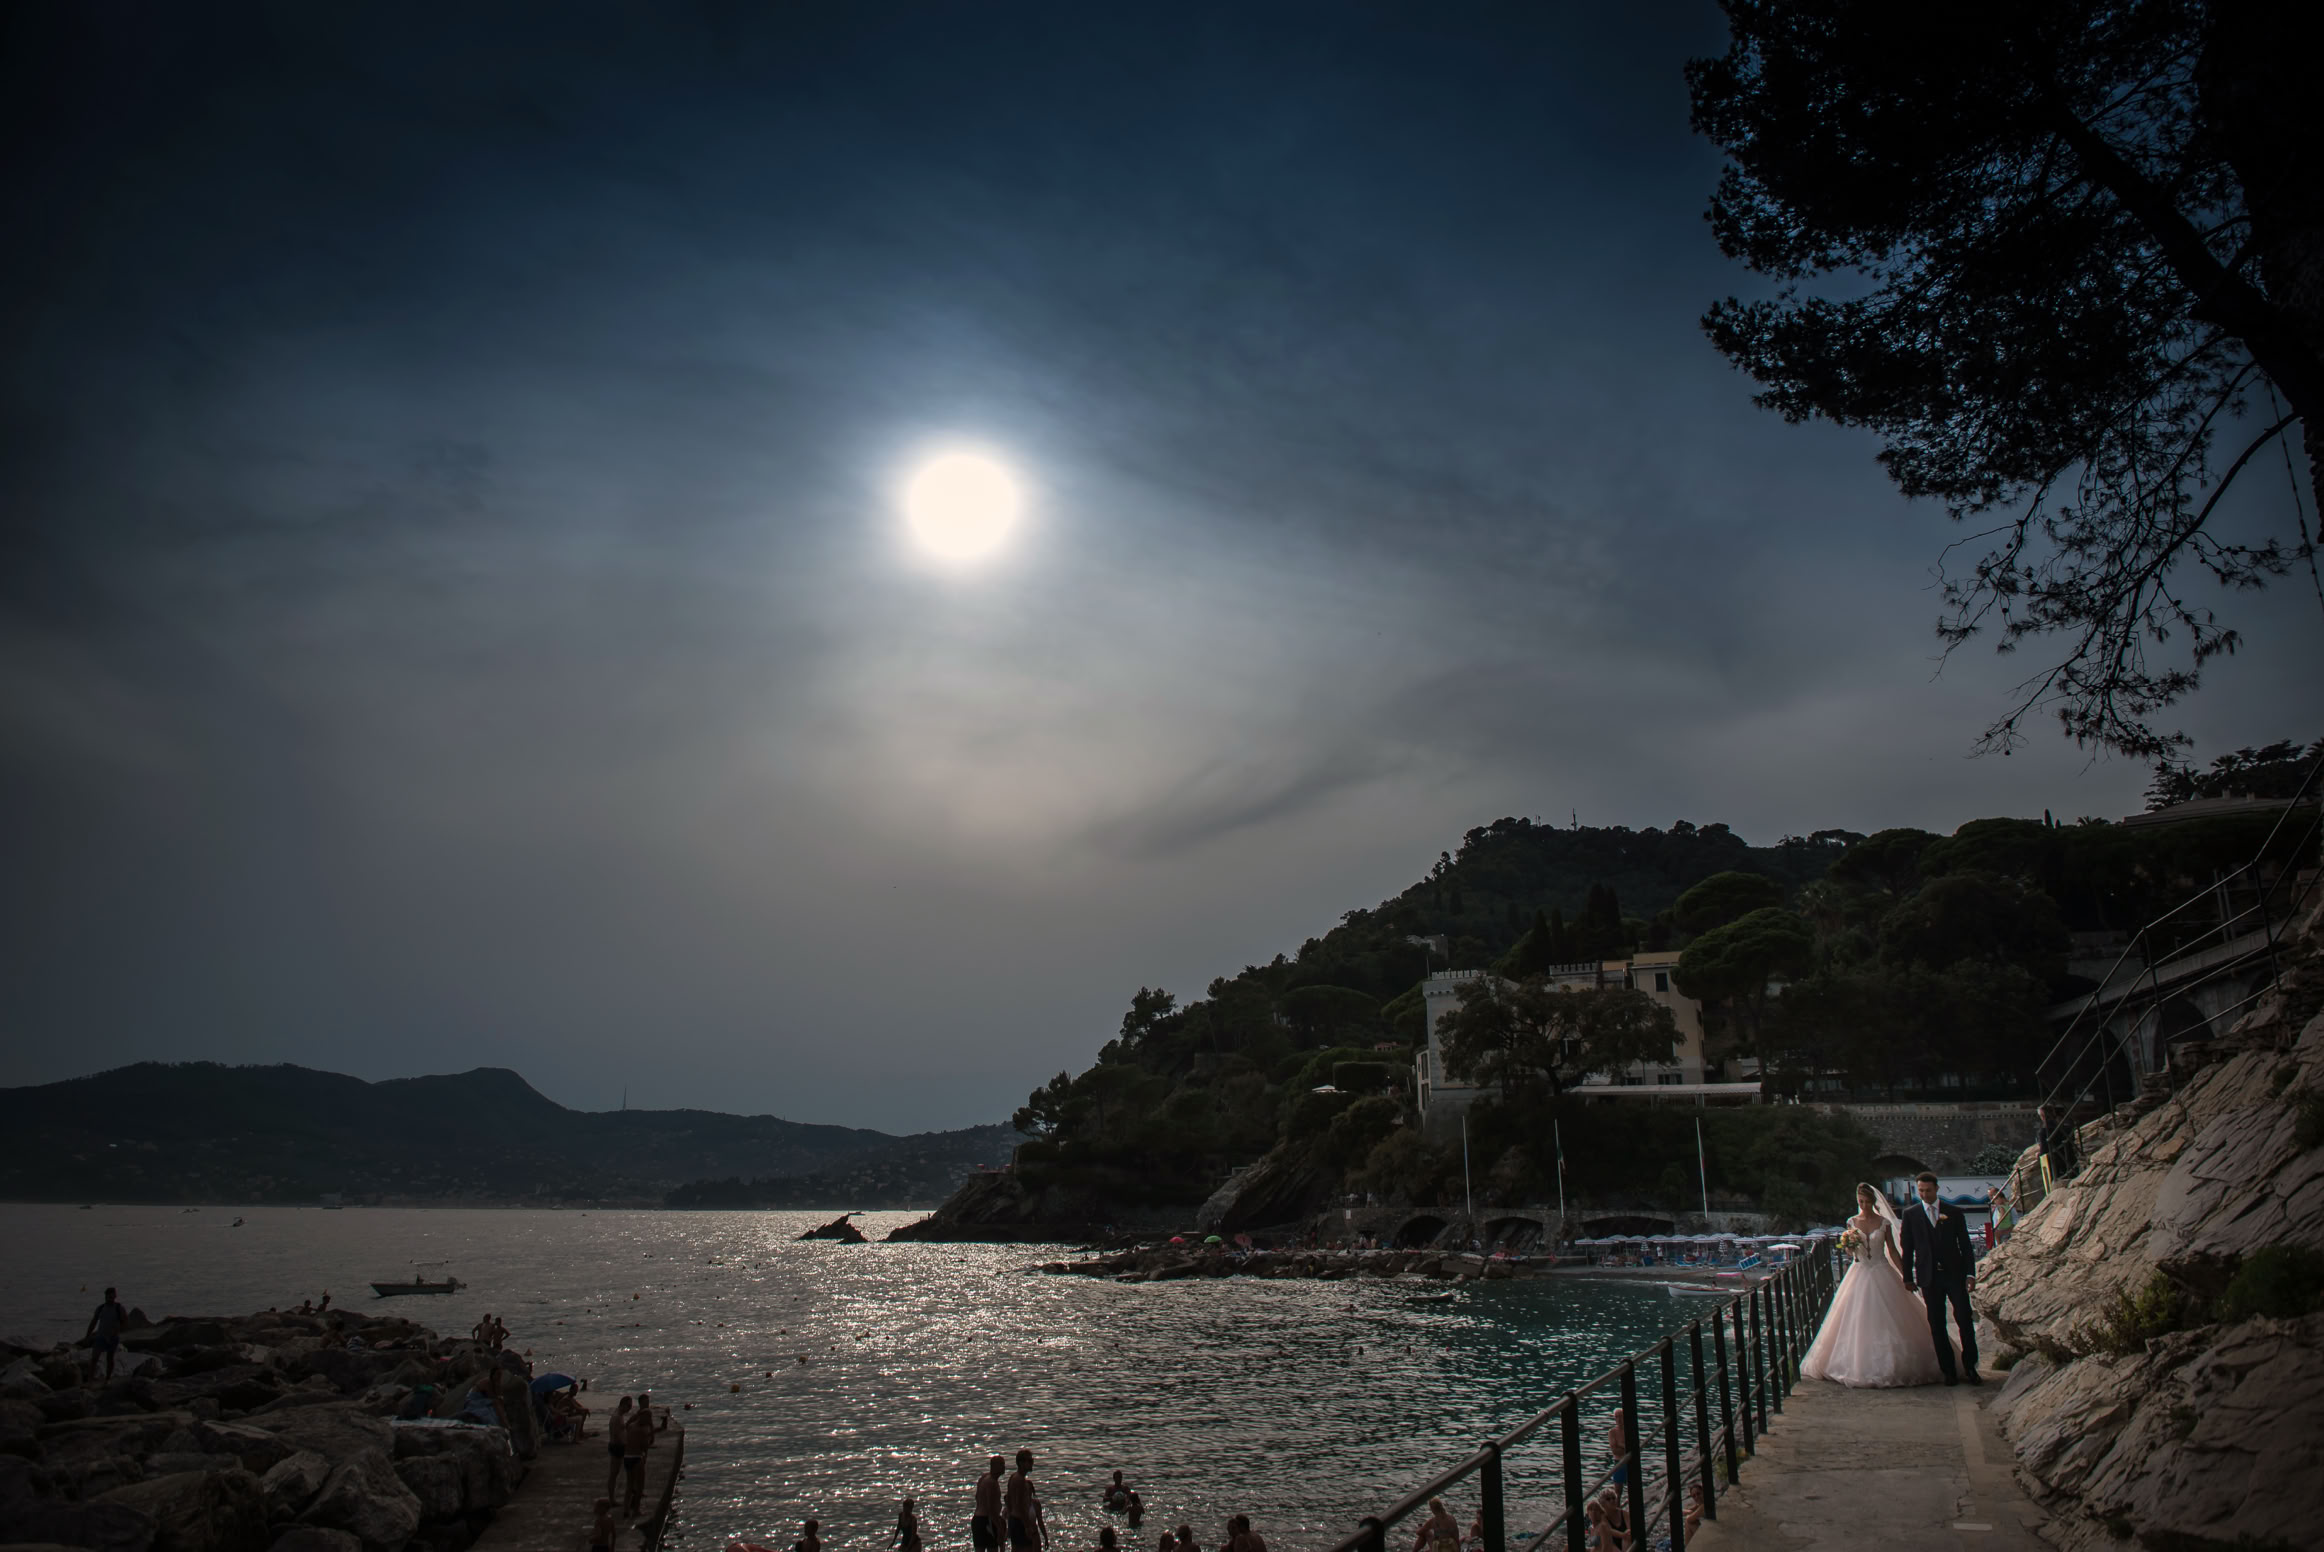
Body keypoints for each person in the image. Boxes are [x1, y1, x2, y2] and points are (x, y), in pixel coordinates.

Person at [1800, 1183, 1947, 1388]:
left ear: (1873, 1202)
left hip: (1881, 1269)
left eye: (1867, 1202)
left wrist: (1905, 1275)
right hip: (1859, 1271)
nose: (1864, 1206)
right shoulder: (1852, 1222)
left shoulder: (1884, 1223)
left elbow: (1892, 1250)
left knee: (1892, 1316)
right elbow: (1850, 1253)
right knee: (1855, 1316)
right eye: (1861, 1202)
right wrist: (1849, 1245)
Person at [1898, 1171, 1981, 1385]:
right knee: (1936, 1324)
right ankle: (1948, 1370)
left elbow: (1965, 1245)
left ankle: (1970, 1366)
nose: (1924, 1194)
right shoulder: (1911, 1214)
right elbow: (1907, 1248)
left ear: (1937, 1189)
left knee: (1964, 1318)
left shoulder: (1954, 1212)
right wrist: (1907, 1277)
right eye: (1921, 1191)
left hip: (1954, 1274)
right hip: (1929, 1276)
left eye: (1928, 1190)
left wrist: (1970, 1273)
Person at [621, 1395, 656, 1515]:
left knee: (629, 1485)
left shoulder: (631, 1426)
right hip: (637, 1457)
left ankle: (625, 1509)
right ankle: (636, 1509)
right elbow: (644, 1445)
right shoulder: (641, 1430)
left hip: (627, 1457)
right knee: (640, 1486)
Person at [1006, 1450, 1047, 1552]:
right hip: (1020, 1522)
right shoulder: (1020, 1480)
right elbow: (1020, 1505)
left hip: (1014, 1520)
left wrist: (1010, 1520)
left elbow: (1008, 1499)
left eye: (1032, 1460)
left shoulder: (1013, 1477)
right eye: (1029, 1461)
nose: (1032, 1463)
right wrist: (1027, 1526)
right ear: (1021, 1463)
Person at [84, 1287, 126, 1383]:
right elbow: (93, 1322)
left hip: (113, 1337)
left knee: (110, 1358)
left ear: (115, 1296)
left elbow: (125, 1321)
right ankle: (89, 1380)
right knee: (94, 1358)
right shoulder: (100, 1308)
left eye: (112, 1296)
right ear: (105, 1296)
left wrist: (118, 1331)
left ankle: (107, 1379)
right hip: (100, 1337)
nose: (110, 1298)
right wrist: (87, 1336)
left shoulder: (119, 1308)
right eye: (108, 1296)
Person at [975, 1456, 1007, 1552]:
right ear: (994, 1466)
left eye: (1003, 1464)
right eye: (1001, 1464)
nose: (1004, 1467)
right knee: (992, 1549)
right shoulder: (991, 1482)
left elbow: (977, 1497)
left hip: (977, 1519)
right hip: (987, 1520)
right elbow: (990, 1508)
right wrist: (999, 1528)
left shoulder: (984, 1478)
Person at [605, 1397, 634, 1496]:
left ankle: (612, 1497)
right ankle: (611, 1498)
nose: (629, 1408)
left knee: (616, 1473)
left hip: (618, 1446)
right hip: (617, 1447)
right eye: (628, 1406)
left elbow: (620, 1429)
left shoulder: (619, 1416)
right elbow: (616, 1435)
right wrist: (625, 1445)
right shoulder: (617, 1417)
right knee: (614, 1474)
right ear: (623, 1404)